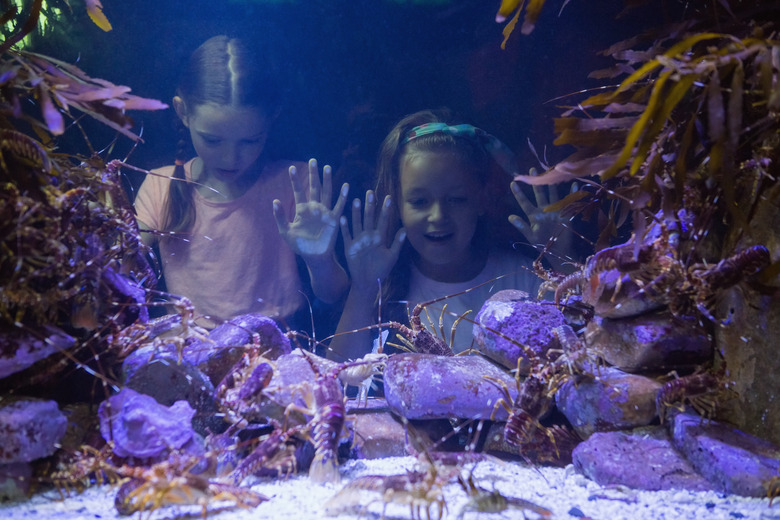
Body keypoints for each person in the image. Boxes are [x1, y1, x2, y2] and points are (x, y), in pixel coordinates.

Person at [134, 35, 348, 329]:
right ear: (183, 112)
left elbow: (333, 294)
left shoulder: (296, 182)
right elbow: (124, 269)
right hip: (191, 350)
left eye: (249, 141)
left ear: (271, 118)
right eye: (212, 140)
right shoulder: (159, 186)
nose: (230, 158)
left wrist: (320, 259)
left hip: (279, 346)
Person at [328, 109, 563, 361]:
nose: (438, 216)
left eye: (456, 199)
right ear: (397, 203)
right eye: (419, 201)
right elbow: (338, 379)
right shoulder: (381, 287)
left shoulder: (525, 280)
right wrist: (363, 287)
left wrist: (561, 255)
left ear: (481, 198)